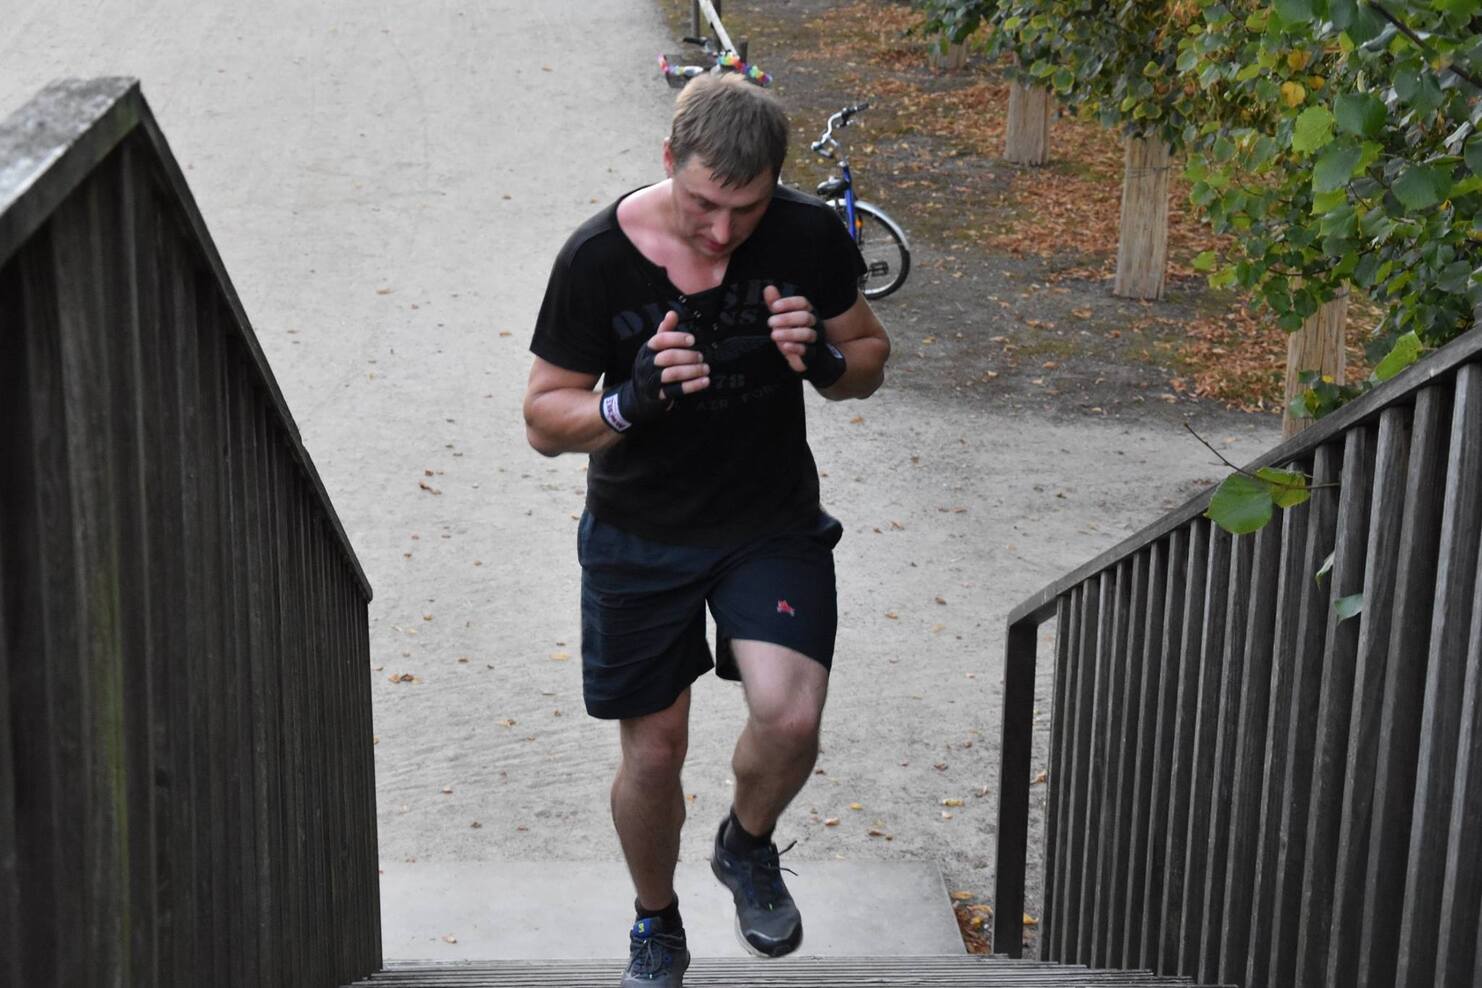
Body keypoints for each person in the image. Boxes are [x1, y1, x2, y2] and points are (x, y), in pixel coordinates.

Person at [523, 72, 890, 987]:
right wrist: (624, 402)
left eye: (747, 207)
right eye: (703, 203)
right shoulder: (597, 259)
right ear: (667, 164)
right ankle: (656, 918)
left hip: (768, 519)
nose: (722, 230)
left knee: (791, 715)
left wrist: (829, 359)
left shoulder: (807, 235)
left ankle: (746, 842)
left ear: (777, 183)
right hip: (639, 532)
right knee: (655, 751)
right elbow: (541, 419)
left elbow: (872, 358)